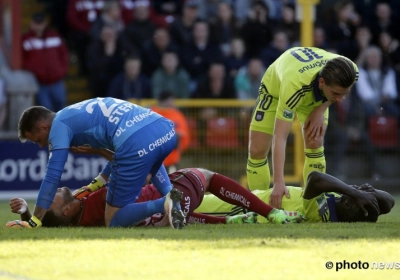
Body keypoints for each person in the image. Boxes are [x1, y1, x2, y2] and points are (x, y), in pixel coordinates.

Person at [10, 97, 184, 229]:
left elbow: (53, 176)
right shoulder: (75, 113)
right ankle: (173, 199)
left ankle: (164, 204)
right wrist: (98, 181)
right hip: (165, 130)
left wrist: (34, 221)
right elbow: (123, 151)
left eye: (38, 140)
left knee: (113, 220)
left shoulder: (58, 127)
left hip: (136, 143)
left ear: (43, 127)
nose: (41, 145)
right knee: (148, 155)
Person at [8, 164, 305, 228]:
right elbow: (124, 168)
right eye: (53, 201)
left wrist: (25, 214)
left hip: (161, 214)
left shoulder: (81, 211)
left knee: (177, 214)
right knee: (206, 176)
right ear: (69, 210)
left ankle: (233, 223)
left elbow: (49, 223)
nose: (51, 195)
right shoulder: (93, 201)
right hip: (172, 193)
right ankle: (272, 214)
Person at [246, 46, 359, 210]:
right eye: (336, 94)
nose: (340, 100)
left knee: (315, 142)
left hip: (315, 93)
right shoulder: (294, 85)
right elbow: (280, 137)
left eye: (344, 94)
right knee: (257, 150)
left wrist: (321, 108)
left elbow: (339, 90)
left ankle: (314, 205)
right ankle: (258, 206)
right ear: (322, 82)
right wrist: (279, 183)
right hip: (276, 90)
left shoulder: (350, 69)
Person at [196, 171, 394, 223]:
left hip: (239, 207)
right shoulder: (339, 201)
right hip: (248, 198)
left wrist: (356, 193)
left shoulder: (322, 213)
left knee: (187, 205)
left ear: (350, 207)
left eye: (353, 197)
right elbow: (389, 202)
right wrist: (367, 193)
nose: (354, 190)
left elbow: (315, 179)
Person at [22, 12, 69, 112]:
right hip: (40, 82)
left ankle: (60, 127)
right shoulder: (26, 39)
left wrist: (62, 70)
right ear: (32, 23)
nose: (38, 25)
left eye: (41, 22)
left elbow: (64, 54)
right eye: (36, 23)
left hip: (57, 80)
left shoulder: (55, 36)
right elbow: (23, 59)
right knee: (46, 108)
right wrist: (34, 71)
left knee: (61, 105)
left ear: (45, 23)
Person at [151, 91, 190, 173]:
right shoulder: (152, 113)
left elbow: (183, 135)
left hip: (169, 158)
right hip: (156, 159)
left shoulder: (151, 113)